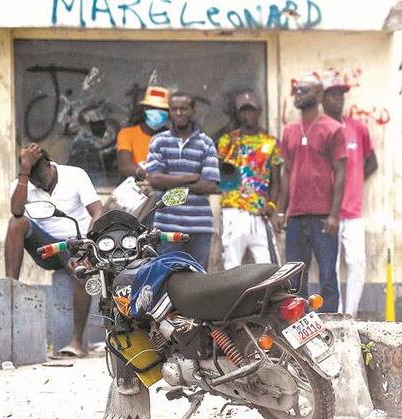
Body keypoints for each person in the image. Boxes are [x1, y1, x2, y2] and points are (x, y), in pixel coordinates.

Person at [4, 144, 103, 358]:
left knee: (82, 271)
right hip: (46, 248)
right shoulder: (22, 183)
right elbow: (17, 212)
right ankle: (10, 287)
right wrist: (24, 172)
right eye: (33, 178)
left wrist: (86, 247)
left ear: (50, 165)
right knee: (15, 223)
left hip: (77, 243)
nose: (38, 183)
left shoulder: (75, 175)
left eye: (40, 176)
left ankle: (76, 342)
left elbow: (97, 213)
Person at [274, 75, 348, 313]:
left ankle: (332, 325)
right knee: (295, 276)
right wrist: (280, 210)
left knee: (327, 274)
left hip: (323, 216)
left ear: (317, 95)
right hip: (296, 216)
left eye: (303, 90)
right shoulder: (290, 130)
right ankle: (298, 324)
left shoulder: (333, 129)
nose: (297, 93)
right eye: (295, 89)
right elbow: (285, 172)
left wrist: (335, 215)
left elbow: (341, 173)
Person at [321, 73, 378, 316]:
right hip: (326, 212)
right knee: (330, 267)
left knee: (357, 263)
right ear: (322, 98)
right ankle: (335, 315)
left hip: (353, 211)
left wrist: (353, 182)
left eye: (341, 94)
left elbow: (372, 163)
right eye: (332, 94)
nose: (338, 99)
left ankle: (350, 316)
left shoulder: (358, 129)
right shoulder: (318, 129)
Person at [144, 91, 220, 269]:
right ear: (169, 112)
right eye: (174, 109)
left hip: (200, 226)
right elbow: (154, 180)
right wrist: (189, 177)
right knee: (167, 278)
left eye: (183, 109)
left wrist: (169, 180)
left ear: (192, 111)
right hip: (166, 227)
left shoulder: (206, 143)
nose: (179, 113)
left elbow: (209, 185)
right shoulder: (159, 141)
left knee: (198, 279)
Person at [216, 90, 281, 269]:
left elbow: (276, 180)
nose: (247, 115)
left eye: (251, 110)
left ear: (259, 111)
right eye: (243, 111)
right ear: (237, 114)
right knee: (231, 267)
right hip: (233, 212)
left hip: (260, 214)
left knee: (269, 267)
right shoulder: (226, 141)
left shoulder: (270, 143)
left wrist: (272, 206)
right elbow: (219, 175)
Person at [116, 86, 170, 180]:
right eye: (153, 108)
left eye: (162, 109)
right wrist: (145, 174)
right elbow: (124, 166)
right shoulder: (127, 134)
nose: (158, 112)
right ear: (145, 109)